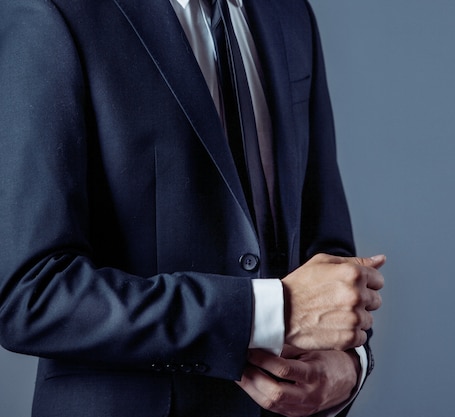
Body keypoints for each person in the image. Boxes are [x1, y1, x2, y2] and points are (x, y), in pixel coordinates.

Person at [0, 0, 385, 416]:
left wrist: (348, 365)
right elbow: (30, 295)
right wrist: (272, 311)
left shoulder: (290, 14)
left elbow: (327, 257)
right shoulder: (53, 11)